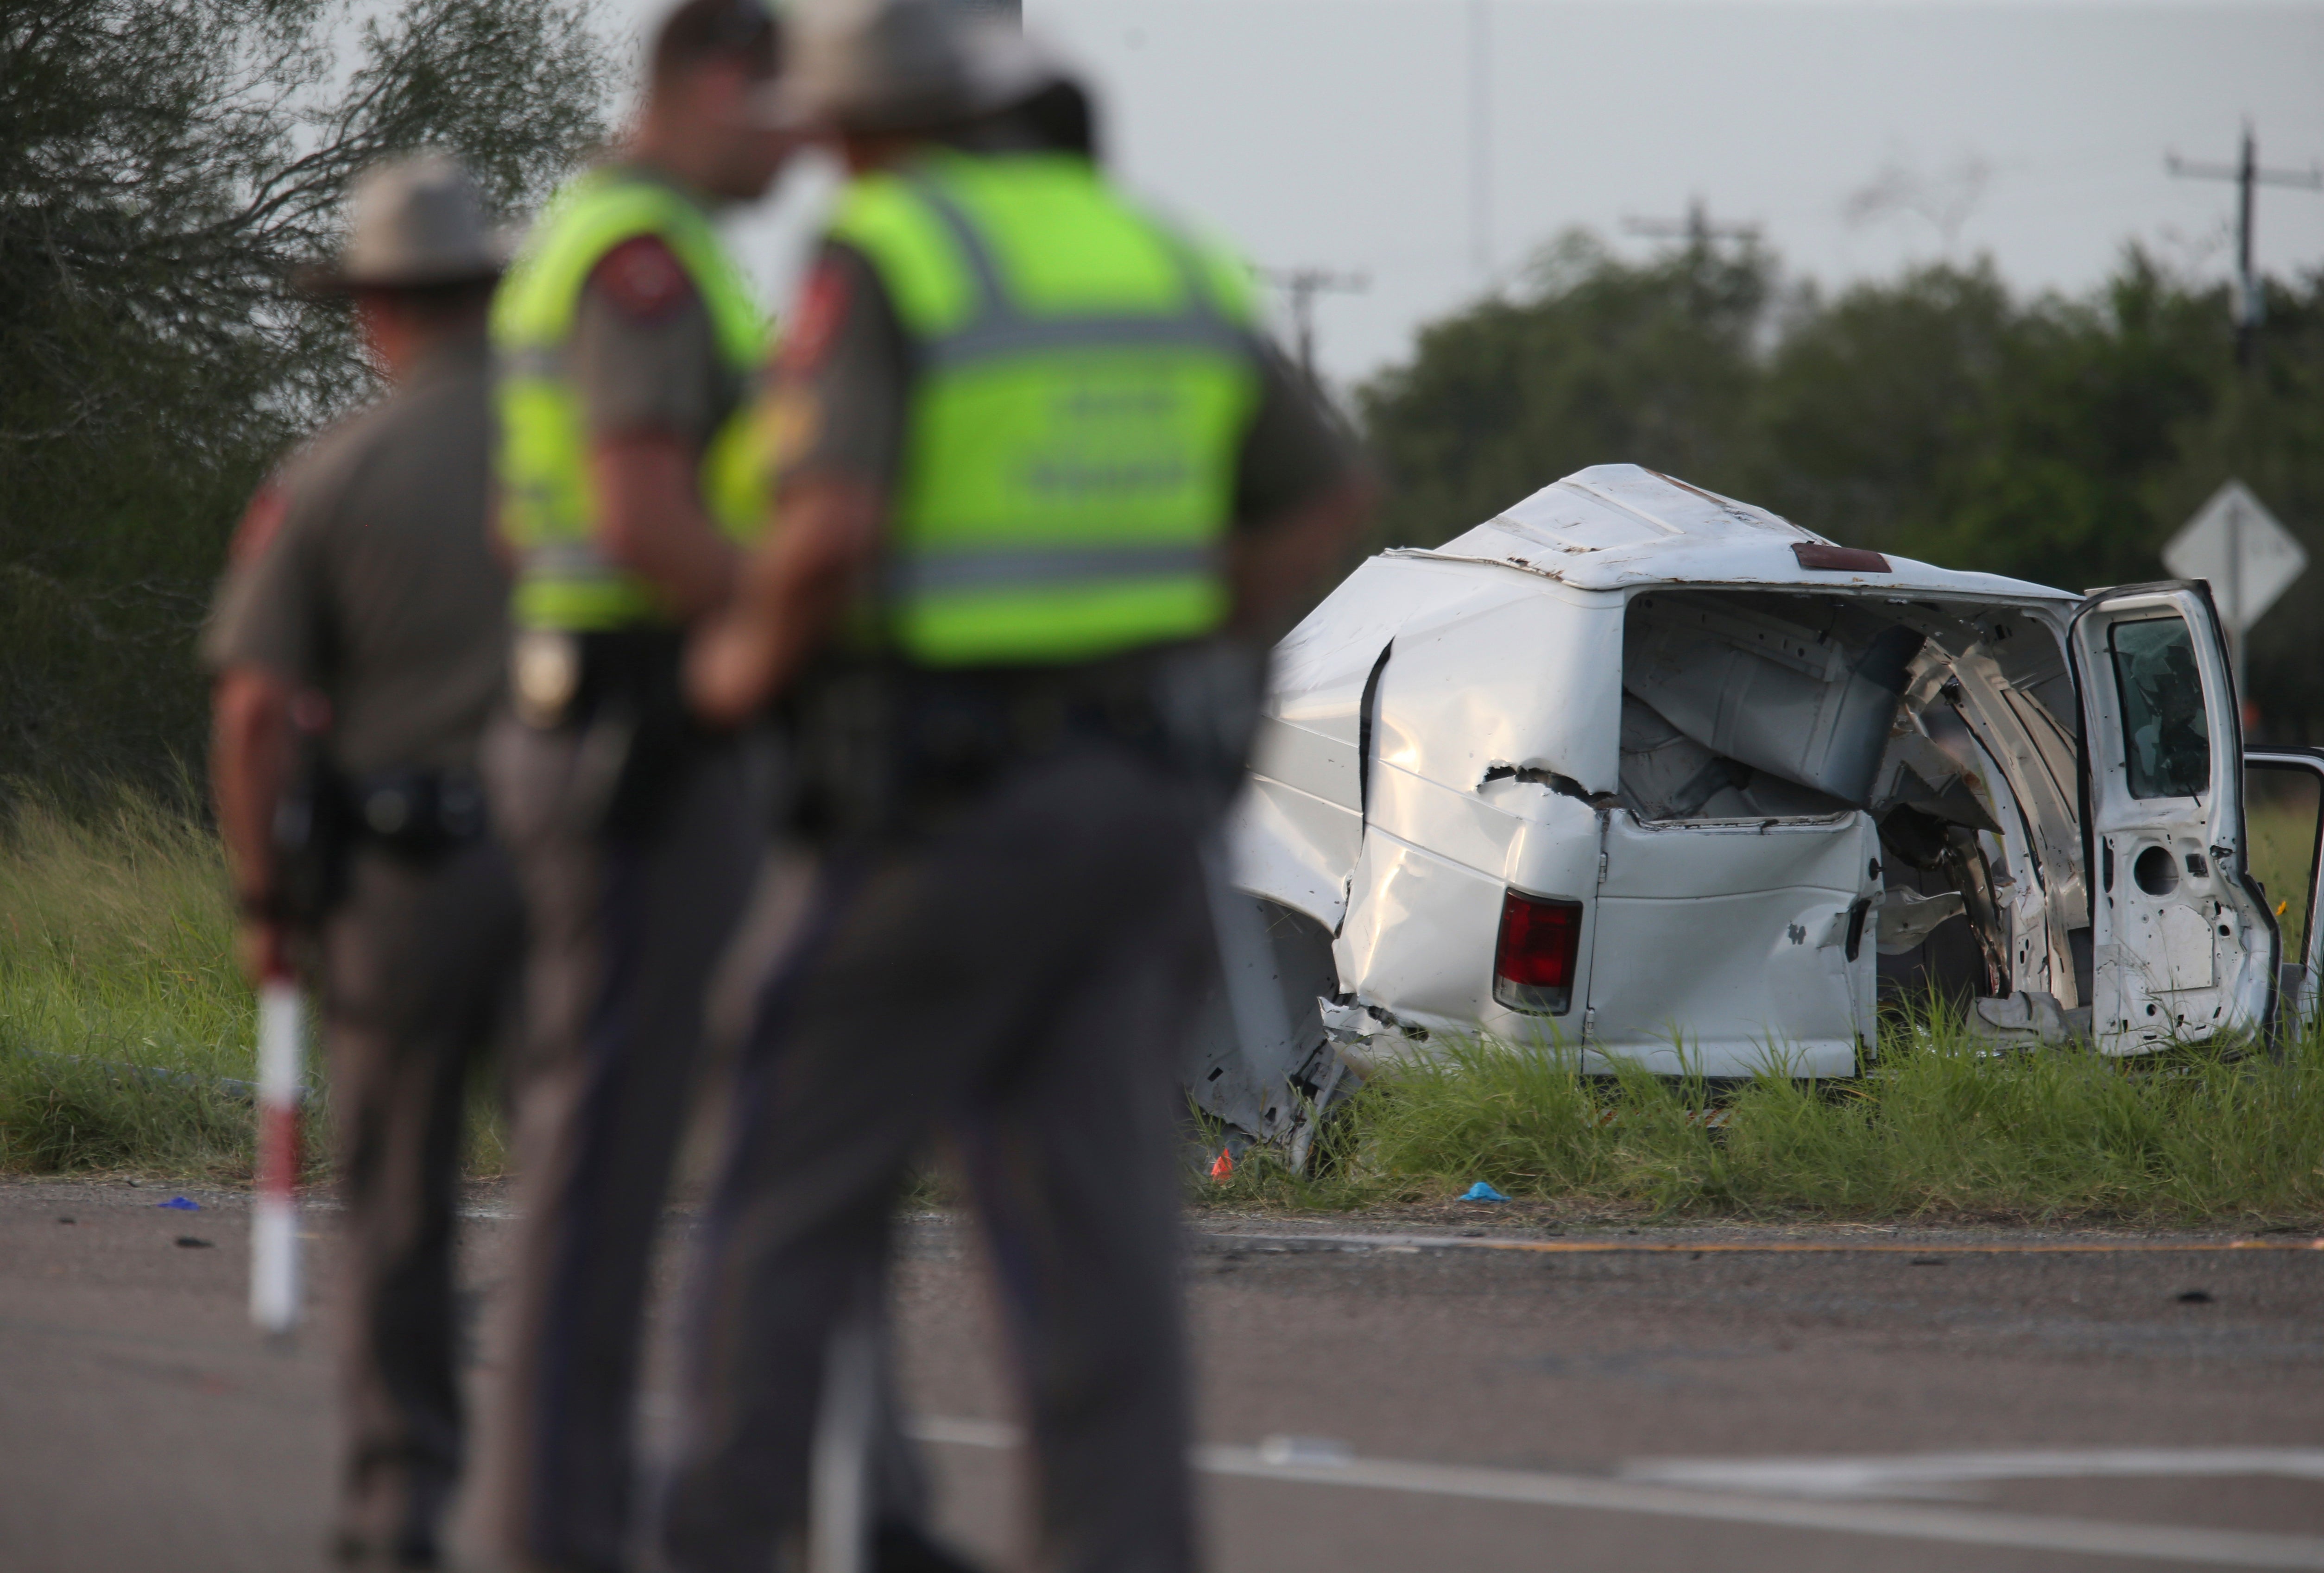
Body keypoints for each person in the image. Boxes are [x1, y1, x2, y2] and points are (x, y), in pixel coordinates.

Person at [658, 4, 1371, 1569]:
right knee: (1096, 1236)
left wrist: (733, 670)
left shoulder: (892, 258)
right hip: (1137, 821)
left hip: (934, 812)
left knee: (784, 1192)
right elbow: (1325, 495)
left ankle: (712, 1533)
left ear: (857, 129)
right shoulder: (1161, 256)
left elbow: (828, 529)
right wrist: (1192, 651)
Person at [477, 1, 794, 1567]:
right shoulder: (646, 263)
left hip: (616, 718)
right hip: (644, 741)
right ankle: (556, 1533)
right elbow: (650, 517)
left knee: (611, 1164)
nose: (803, 150)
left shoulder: (602, 239)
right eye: (784, 114)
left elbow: (522, 520)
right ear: (717, 87)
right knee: (602, 1184)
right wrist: (818, 626)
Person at [205, 152, 524, 1570]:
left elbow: (258, 708)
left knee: (402, 1196)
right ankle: (575, 1485)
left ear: (374, 313)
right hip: (581, 869)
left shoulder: (332, 476)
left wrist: (265, 897)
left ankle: (403, 1500)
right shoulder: (583, 453)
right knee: (592, 1172)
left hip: (408, 882)